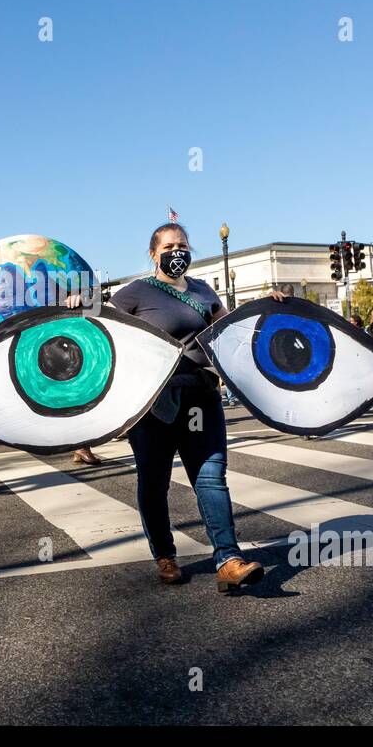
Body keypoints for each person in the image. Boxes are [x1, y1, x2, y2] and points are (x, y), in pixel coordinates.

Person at [99, 222, 277, 592]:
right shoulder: (137, 291)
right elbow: (104, 324)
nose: (177, 251)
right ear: (153, 253)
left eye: (182, 245)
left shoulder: (202, 290)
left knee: (211, 477)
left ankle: (228, 560)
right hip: (154, 402)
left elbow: (231, 332)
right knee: (154, 481)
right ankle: (165, 555)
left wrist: (269, 309)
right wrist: (77, 303)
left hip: (200, 396)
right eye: (169, 246)